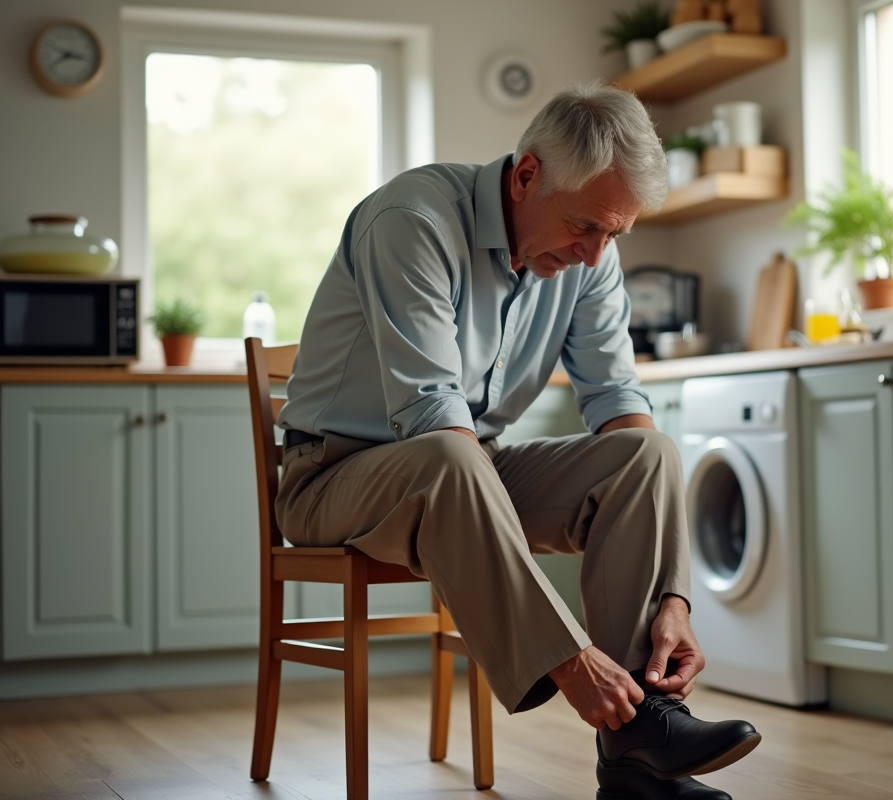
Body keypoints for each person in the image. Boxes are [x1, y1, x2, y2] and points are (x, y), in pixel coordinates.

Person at [275, 83, 759, 800]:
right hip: (331, 478)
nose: (594, 255)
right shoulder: (412, 221)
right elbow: (431, 414)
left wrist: (674, 598)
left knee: (647, 453)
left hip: (467, 471)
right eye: (584, 226)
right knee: (450, 457)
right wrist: (571, 652)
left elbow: (618, 400)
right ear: (527, 174)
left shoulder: (589, 259)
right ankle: (580, 677)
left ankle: (638, 750)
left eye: (614, 234)